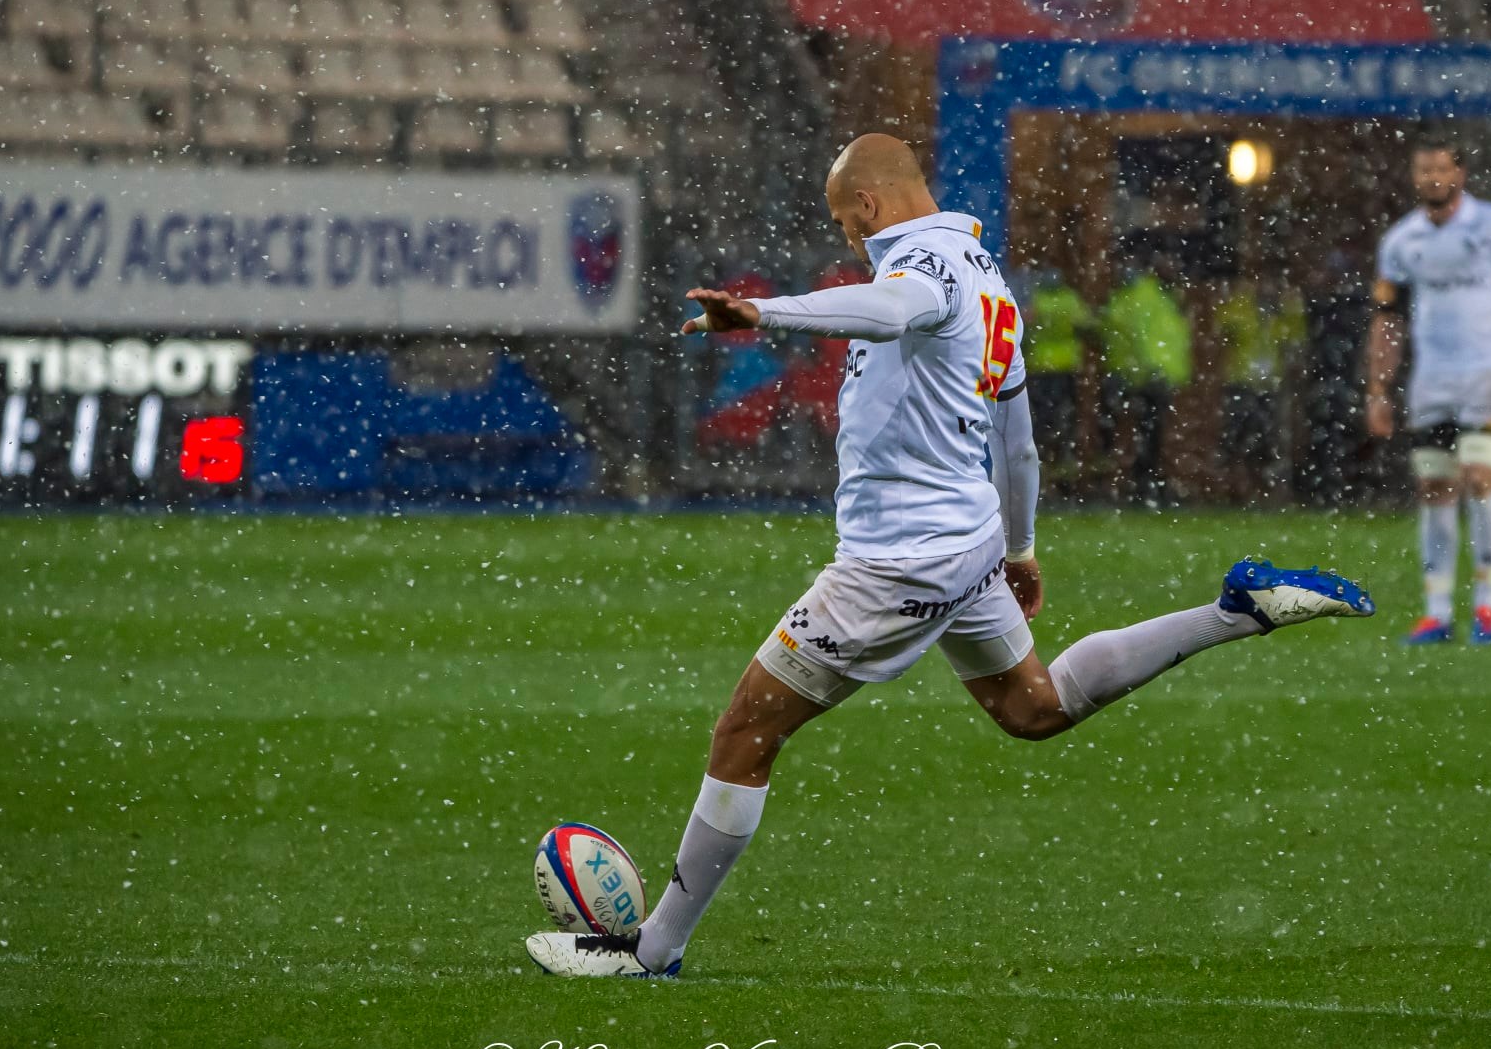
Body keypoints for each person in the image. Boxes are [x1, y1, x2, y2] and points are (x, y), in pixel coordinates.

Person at [524, 134, 1375, 979]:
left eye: (844, 223)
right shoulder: (988, 279)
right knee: (1035, 708)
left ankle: (653, 951)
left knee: (745, 731)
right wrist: (1019, 546)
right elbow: (1019, 440)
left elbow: (891, 312)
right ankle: (1233, 611)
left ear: (868, 205)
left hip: (899, 561)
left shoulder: (920, 273)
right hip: (966, 541)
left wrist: (761, 312)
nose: (848, 243)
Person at [1366, 136, 1491, 646]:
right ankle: (1437, 611)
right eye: (1423, 171)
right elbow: (1388, 318)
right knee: (1434, 486)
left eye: (1440, 169)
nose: (1431, 179)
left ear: (1460, 173)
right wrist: (1378, 387)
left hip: (1488, 375)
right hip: (1434, 379)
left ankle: (1487, 607)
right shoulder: (1402, 241)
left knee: (1479, 475)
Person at [1100, 263, 1193, 506]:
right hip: (1151, 374)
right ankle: (1147, 484)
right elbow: (1159, 337)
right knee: (1150, 433)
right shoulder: (1154, 297)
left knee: (1142, 432)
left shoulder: (1140, 297)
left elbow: (1139, 336)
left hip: (1144, 375)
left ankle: (1142, 484)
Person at [1217, 277, 1307, 502]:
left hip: (1269, 385)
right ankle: (1237, 490)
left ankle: (1261, 492)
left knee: (1266, 442)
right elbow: (1224, 327)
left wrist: (1288, 311)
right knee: (1237, 439)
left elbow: (1296, 340)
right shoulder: (1243, 307)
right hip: (1242, 382)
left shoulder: (1283, 314)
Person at [1021, 268, 1096, 500]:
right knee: (1062, 426)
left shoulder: (1035, 298)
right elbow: (1088, 325)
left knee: (1042, 426)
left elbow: (1023, 325)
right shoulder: (1070, 299)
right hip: (1064, 369)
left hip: (1041, 369)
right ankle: (1063, 477)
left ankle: (1048, 478)